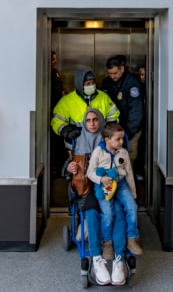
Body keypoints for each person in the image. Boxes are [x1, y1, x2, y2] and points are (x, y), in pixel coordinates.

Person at [64, 108, 129, 286]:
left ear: (101, 121)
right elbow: (67, 166)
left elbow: (124, 165)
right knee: (91, 213)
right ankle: (97, 258)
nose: (92, 123)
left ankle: (119, 259)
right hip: (88, 189)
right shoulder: (77, 140)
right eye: (88, 120)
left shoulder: (111, 139)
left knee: (118, 212)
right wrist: (70, 167)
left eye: (95, 120)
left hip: (110, 187)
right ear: (84, 123)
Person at [87, 122, 143, 258]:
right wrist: (101, 180)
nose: (122, 141)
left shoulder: (123, 152)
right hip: (103, 185)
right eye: (118, 139)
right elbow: (90, 172)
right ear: (107, 140)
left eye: (122, 138)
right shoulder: (98, 152)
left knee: (132, 208)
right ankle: (107, 243)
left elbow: (129, 173)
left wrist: (133, 194)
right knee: (108, 213)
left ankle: (132, 238)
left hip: (121, 184)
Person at [51, 68, 119, 151]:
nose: (91, 85)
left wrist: (109, 130)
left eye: (93, 83)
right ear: (80, 84)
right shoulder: (67, 101)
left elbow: (113, 114)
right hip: (76, 147)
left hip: (101, 146)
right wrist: (67, 131)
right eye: (88, 83)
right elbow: (56, 120)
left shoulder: (103, 97)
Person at [101, 56, 144, 165]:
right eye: (109, 73)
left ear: (122, 69)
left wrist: (127, 133)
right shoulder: (107, 82)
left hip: (130, 130)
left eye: (115, 73)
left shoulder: (132, 84)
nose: (112, 76)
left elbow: (136, 112)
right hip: (112, 130)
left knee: (127, 160)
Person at [50, 51, 66, 175]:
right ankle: (54, 169)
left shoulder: (55, 73)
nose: (55, 61)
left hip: (60, 113)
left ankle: (60, 169)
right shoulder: (47, 74)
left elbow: (62, 91)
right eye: (52, 59)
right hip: (51, 113)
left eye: (55, 59)